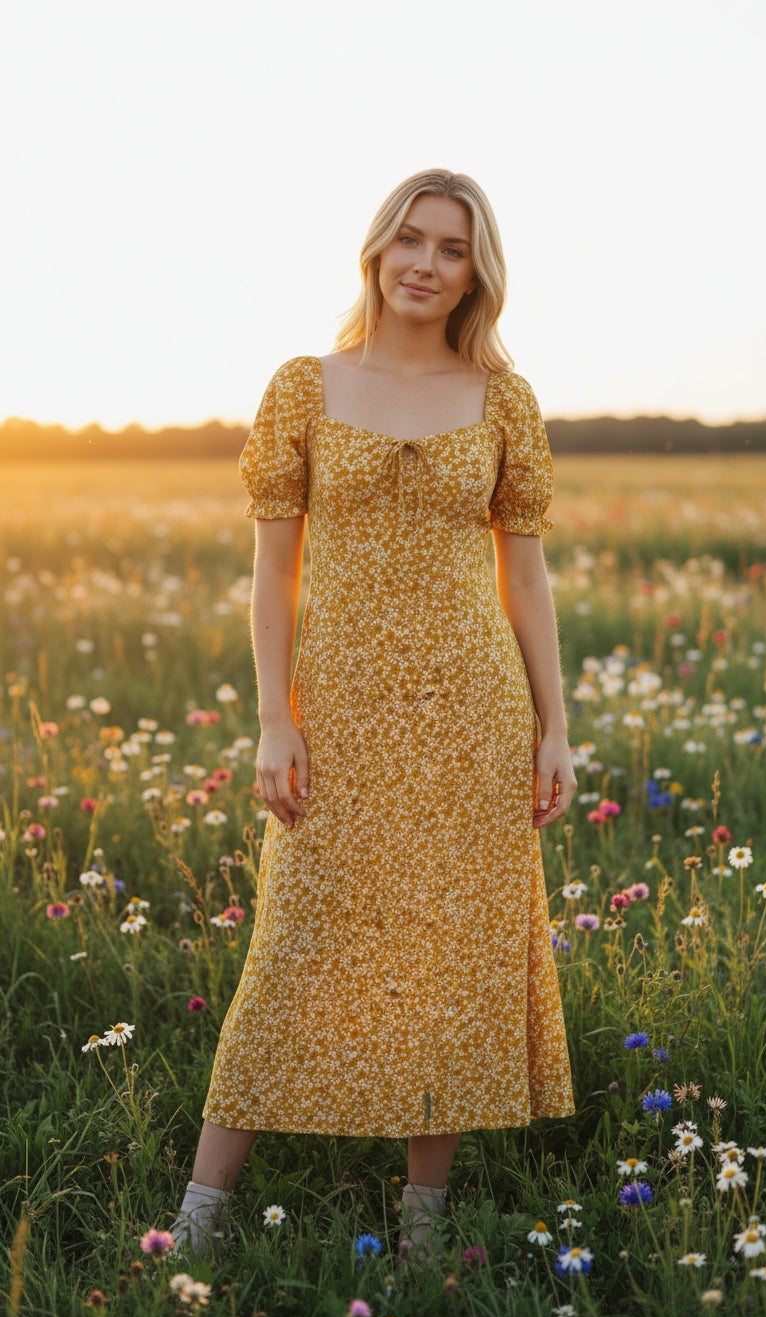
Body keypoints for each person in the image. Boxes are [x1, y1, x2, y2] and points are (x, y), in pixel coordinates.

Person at [171, 168, 576, 1256]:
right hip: (337, 716)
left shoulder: (503, 401)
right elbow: (273, 574)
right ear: (376, 250)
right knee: (294, 940)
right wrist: (274, 716)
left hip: (472, 715)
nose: (425, 264)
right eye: (410, 240)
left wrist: (553, 727)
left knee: (451, 950)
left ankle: (423, 1225)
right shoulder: (305, 386)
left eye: (450, 249)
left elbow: (526, 579)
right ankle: (200, 1216)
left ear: (473, 273)